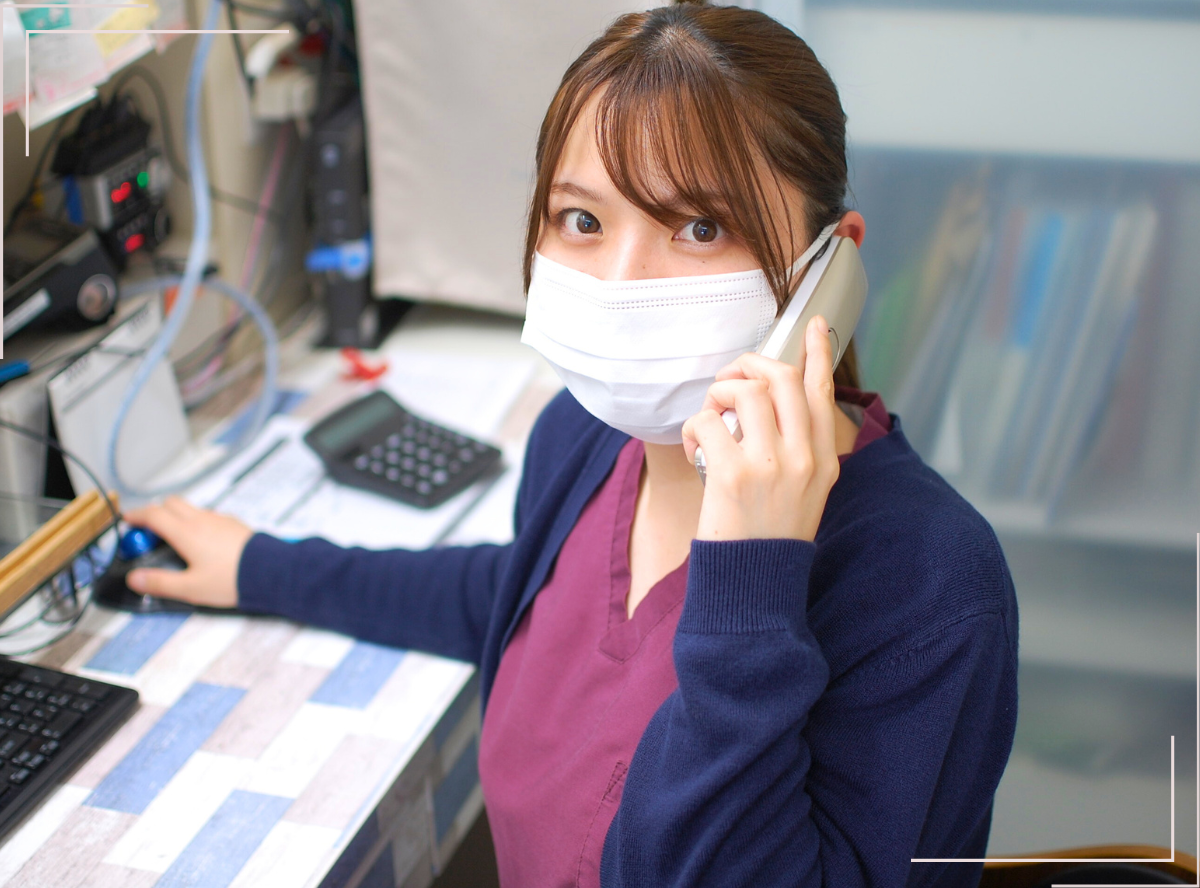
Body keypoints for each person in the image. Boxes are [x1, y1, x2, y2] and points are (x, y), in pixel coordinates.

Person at [125, 2, 1019, 886]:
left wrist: (752, 576)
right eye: (582, 222)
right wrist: (263, 567)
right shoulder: (584, 440)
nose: (621, 285)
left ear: (831, 270)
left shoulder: (933, 586)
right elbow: (526, 603)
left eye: (699, 228)